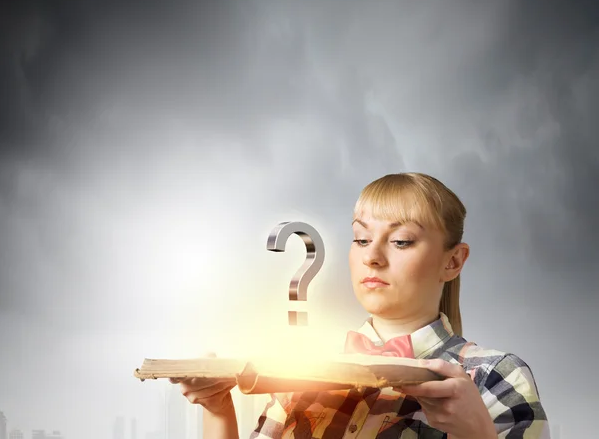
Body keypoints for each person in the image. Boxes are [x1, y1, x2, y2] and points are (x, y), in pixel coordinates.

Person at [172, 173, 550, 438]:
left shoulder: (494, 377)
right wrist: (217, 407)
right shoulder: (303, 376)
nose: (373, 257)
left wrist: (477, 436)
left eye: (400, 241)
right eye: (361, 239)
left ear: (452, 261)